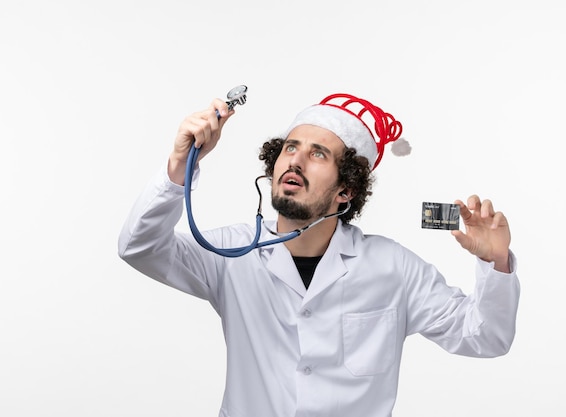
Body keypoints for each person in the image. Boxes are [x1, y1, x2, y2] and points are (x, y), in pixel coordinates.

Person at [118, 91, 520, 417]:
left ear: (346, 191)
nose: (294, 158)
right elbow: (140, 246)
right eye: (290, 147)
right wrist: (177, 165)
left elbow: (486, 337)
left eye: (317, 153)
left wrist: (495, 263)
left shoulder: (392, 267)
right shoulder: (230, 253)